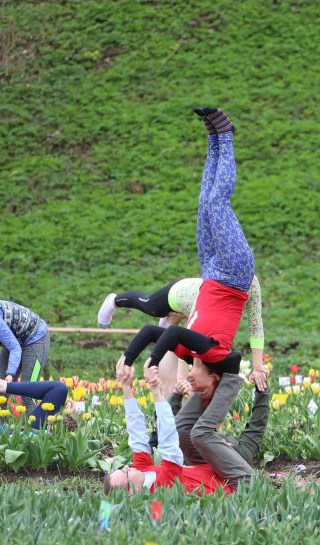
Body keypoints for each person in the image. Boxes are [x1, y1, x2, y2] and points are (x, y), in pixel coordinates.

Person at [119, 108, 260, 387]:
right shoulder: (217, 355)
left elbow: (151, 331)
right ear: (214, 377)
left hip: (210, 272)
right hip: (234, 274)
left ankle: (213, 137)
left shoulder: (187, 353)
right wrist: (153, 362)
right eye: (202, 388)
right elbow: (171, 336)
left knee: (204, 201)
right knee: (217, 203)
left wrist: (128, 359)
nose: (194, 386)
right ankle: (227, 137)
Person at [103, 354, 268, 495]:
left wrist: (126, 386)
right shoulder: (161, 489)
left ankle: (212, 373)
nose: (126, 466)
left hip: (209, 466)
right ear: (133, 492)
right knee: (200, 434)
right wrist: (155, 390)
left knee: (182, 430)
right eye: (125, 473)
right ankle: (229, 374)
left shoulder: (143, 471)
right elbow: (168, 441)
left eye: (122, 468)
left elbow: (136, 434)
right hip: (240, 484)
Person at [96, 276, 267, 391]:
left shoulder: (250, 282)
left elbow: (256, 324)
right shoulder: (214, 283)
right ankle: (115, 300)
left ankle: (165, 324)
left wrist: (258, 367)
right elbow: (186, 337)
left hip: (192, 316)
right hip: (180, 294)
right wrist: (181, 378)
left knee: (178, 337)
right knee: (150, 305)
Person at [0, 359, 67, 430]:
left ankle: (0, 385)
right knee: (60, 389)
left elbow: (0, 434)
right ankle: (1, 385)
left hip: (15, 437)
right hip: (34, 431)